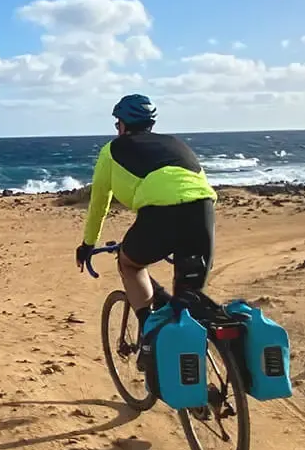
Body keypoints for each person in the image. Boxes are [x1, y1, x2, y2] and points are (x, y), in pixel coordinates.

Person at [76, 94, 217, 322]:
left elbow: (99, 202)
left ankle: (147, 330)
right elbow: (199, 189)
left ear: (122, 124)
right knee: (189, 308)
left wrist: (88, 244)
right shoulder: (177, 144)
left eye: (117, 124)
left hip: (160, 216)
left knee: (128, 262)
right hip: (203, 213)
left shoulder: (111, 150)